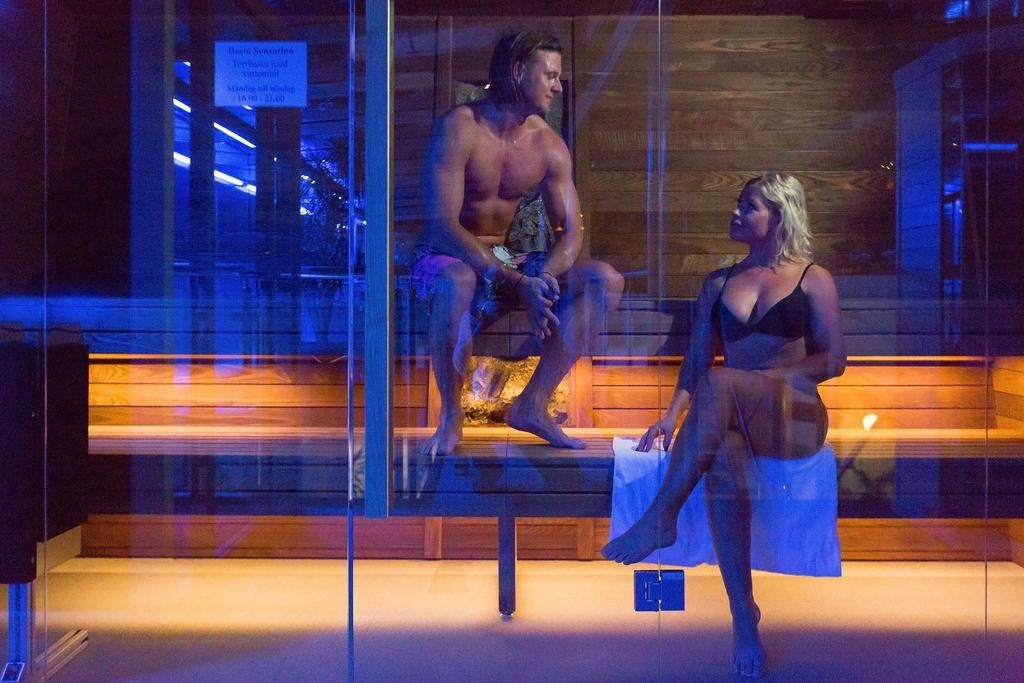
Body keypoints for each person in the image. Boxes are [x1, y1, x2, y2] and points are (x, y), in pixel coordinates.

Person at [601, 173, 846, 678]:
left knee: (721, 382)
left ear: (778, 214)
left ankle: (660, 516)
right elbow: (698, 360)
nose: (735, 212)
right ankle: (743, 616)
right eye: (738, 203)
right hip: (731, 414)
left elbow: (833, 360)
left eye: (748, 205)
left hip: (793, 416)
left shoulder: (812, 278)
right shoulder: (718, 282)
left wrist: (758, 381)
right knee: (722, 458)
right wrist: (671, 417)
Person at [413, 29, 624, 456]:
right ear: (517, 72)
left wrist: (543, 278)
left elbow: (573, 231)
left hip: (507, 261)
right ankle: (451, 418)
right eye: (550, 75)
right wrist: (514, 280)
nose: (558, 87)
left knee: (605, 280)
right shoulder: (459, 128)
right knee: (457, 280)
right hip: (445, 257)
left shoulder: (548, 145)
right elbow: (441, 227)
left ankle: (532, 405)